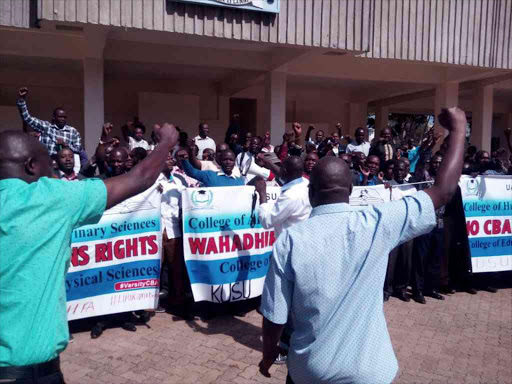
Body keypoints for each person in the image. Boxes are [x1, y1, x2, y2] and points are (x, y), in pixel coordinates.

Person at [258, 107, 467, 384]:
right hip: (371, 371)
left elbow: (275, 316)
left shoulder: (290, 240)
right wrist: (459, 129)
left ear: (311, 193)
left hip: (311, 371)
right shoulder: (379, 222)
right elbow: (444, 191)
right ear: (351, 190)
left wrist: (269, 353)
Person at [0, 124, 178, 382]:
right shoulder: (48, 197)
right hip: (28, 374)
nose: (54, 169)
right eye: (48, 163)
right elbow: (139, 178)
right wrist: (166, 143)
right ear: (31, 166)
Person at [157, 152, 192, 319]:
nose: (170, 160)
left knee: (176, 268)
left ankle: (177, 303)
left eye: (172, 158)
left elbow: (188, 200)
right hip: (155, 230)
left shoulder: (179, 180)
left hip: (174, 229)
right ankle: (150, 303)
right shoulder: (151, 181)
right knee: (154, 269)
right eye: (167, 157)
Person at [409, 153, 446, 304]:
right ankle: (417, 290)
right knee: (420, 258)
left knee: (435, 258)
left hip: (439, 223)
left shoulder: (443, 179)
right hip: (424, 223)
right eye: (435, 162)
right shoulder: (424, 176)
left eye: (440, 162)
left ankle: (431, 288)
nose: (437, 165)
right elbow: (419, 166)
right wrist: (428, 147)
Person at [255, 156, 312, 239]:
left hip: (289, 245)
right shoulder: (305, 182)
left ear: (285, 171)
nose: (279, 169)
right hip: (301, 238)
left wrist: (262, 193)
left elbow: (266, 221)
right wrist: (268, 163)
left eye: (281, 167)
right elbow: (285, 175)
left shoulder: (290, 196)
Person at [16, 87, 81, 156]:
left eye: (64, 117)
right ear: (54, 117)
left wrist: (65, 145)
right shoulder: (46, 127)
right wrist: (22, 99)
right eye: (60, 117)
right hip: (48, 163)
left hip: (64, 165)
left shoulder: (73, 131)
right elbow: (27, 118)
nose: (63, 119)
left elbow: (78, 149)